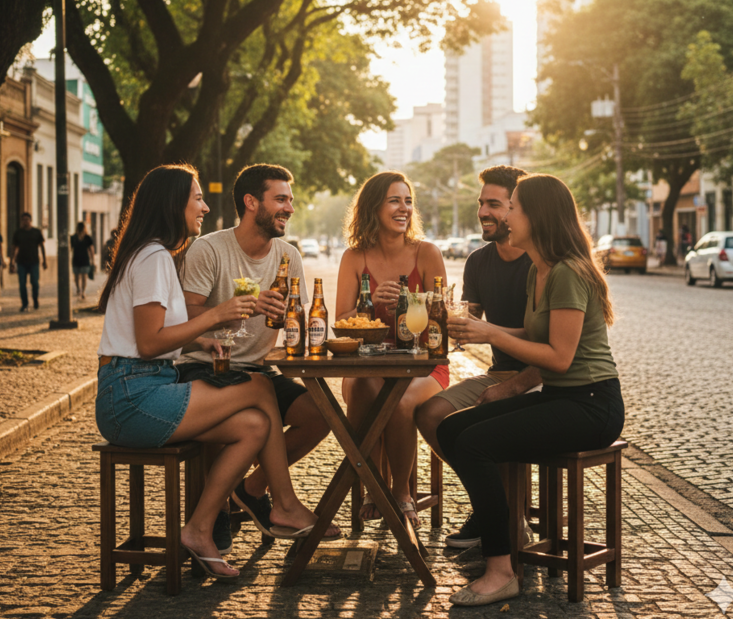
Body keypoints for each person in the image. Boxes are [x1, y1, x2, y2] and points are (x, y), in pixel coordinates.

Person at [96, 163, 329, 582]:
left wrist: (202, 336)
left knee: (255, 424)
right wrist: (219, 315)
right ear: (173, 204)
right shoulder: (152, 257)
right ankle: (285, 505)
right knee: (258, 387)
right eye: (197, 198)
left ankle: (200, 528)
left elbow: (157, 334)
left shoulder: (155, 255)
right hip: (131, 396)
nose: (204, 207)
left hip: (146, 385)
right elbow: (150, 344)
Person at [437, 174, 625, 607]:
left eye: (515, 208)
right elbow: (533, 332)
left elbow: (558, 356)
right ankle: (501, 526)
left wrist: (493, 335)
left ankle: (501, 569)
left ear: (537, 218)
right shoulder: (538, 272)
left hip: (593, 405)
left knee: (476, 444)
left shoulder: (567, 274)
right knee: (450, 431)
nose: (507, 217)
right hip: (562, 398)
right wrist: (485, 332)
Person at [178, 163, 338, 548]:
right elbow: (183, 315)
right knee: (253, 405)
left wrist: (291, 320)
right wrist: (237, 306)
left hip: (259, 371)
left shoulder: (287, 256)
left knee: (321, 415)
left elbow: (298, 323)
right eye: (280, 199)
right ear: (251, 202)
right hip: (205, 368)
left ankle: (250, 490)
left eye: (290, 200)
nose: (290, 208)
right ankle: (221, 511)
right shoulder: (209, 249)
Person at [415, 166, 542, 548]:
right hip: (499, 373)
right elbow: (469, 320)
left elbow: (551, 342)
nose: (484, 212)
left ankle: (500, 517)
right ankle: (492, 504)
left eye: (494, 204)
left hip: (542, 376)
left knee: (484, 425)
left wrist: (488, 332)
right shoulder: (478, 261)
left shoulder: (540, 262)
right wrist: (434, 316)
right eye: (480, 203)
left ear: (518, 209)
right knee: (430, 413)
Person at [335, 171, 448, 527]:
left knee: (400, 400)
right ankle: (373, 483)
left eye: (408, 201)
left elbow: (440, 320)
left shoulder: (426, 253)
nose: (404, 209)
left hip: (423, 366)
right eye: (395, 200)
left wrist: (415, 302)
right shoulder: (354, 258)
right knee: (364, 390)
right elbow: (341, 320)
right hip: (367, 364)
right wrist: (368, 308)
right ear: (373, 207)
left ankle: (401, 493)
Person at [9, 212, 47, 312]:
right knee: (22, 284)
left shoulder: (36, 232)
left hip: (34, 261)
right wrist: (11, 262)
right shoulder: (18, 233)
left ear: (30, 220)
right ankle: (25, 304)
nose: (25, 222)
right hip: (21, 262)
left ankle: (35, 299)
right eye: (23, 220)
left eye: (26, 219)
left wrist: (44, 260)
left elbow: (42, 246)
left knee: (35, 283)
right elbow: (14, 247)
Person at [71, 221, 95, 299]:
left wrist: (92, 260)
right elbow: (70, 248)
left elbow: (91, 249)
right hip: (76, 259)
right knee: (77, 277)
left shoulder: (87, 237)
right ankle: (79, 289)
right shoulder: (73, 237)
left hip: (84, 260)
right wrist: (92, 260)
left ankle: (82, 291)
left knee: (84, 276)